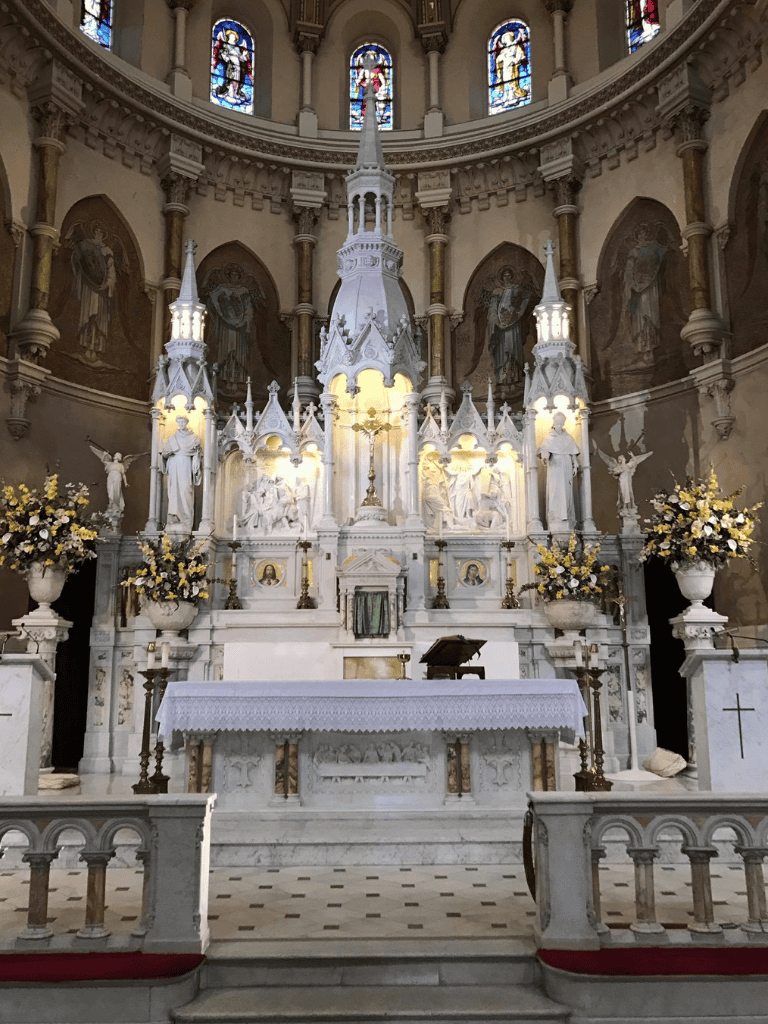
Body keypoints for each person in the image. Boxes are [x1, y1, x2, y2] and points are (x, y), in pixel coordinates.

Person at [538, 412, 580, 531]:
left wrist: (575, 463)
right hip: (555, 466)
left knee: (567, 492)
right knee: (555, 490)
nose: (559, 425)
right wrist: (545, 457)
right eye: (557, 423)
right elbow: (544, 450)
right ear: (553, 423)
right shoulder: (548, 438)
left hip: (566, 465)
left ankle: (567, 517)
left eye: (561, 423)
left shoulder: (568, 438)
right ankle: (555, 517)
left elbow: (573, 453)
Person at [160, 414, 202, 532]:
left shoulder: (194, 438)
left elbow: (197, 454)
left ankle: (186, 520)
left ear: (186, 422)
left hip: (186, 465)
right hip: (174, 464)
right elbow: (164, 453)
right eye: (179, 422)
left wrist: (196, 460)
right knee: (174, 492)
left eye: (183, 422)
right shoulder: (172, 439)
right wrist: (166, 453)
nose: (181, 424)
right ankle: (174, 517)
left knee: (185, 490)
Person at [89, 445, 146, 517]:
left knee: (116, 491)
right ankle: (111, 504)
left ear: (119, 458)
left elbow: (123, 474)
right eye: (116, 455)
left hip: (117, 478)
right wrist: (104, 455)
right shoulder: (110, 463)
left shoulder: (121, 465)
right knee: (110, 490)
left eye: (117, 455)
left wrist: (125, 483)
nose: (116, 455)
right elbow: (103, 460)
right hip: (110, 477)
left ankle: (115, 505)